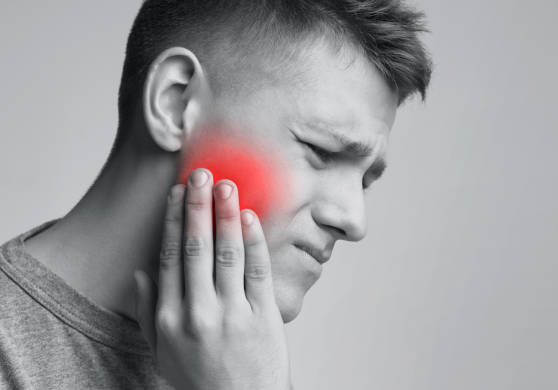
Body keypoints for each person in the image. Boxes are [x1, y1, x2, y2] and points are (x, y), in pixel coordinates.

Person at [0, 0, 432, 388]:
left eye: (365, 181)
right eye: (322, 151)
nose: (354, 220)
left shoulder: (244, 359)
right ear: (175, 102)